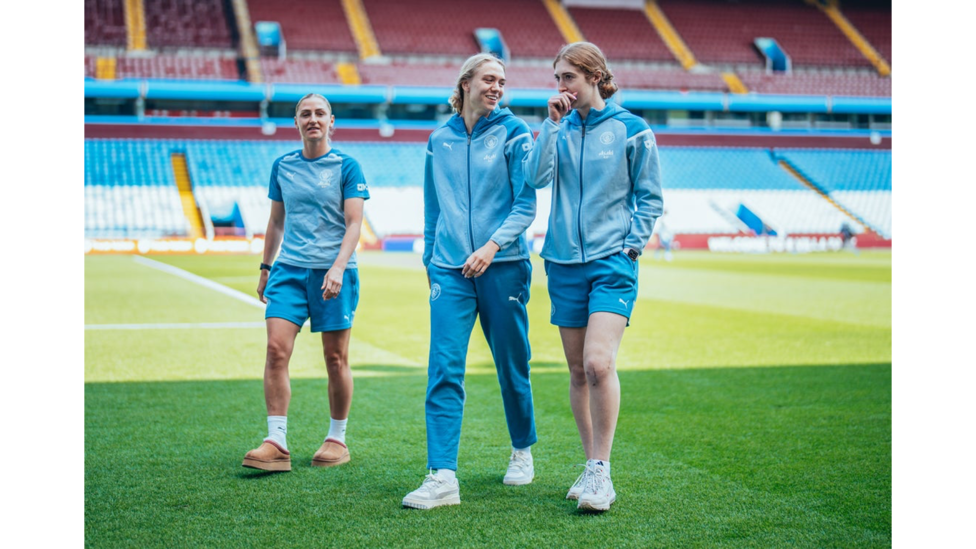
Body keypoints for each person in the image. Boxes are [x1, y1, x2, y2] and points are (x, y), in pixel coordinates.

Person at [523, 42, 664, 511]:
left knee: (599, 362)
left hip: (611, 261)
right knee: (578, 371)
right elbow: (535, 179)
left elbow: (650, 197)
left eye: (569, 77)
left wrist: (632, 244)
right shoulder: (556, 129)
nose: (561, 86)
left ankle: (602, 472)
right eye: (557, 77)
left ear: (595, 77)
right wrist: (549, 125)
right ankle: (589, 465)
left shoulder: (631, 129)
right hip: (562, 262)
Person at [402, 53, 538, 510]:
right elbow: (431, 207)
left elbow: (526, 203)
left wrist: (492, 246)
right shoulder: (438, 138)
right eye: (488, 79)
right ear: (465, 83)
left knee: (511, 365)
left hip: (504, 264)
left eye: (502, 80)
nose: (497, 87)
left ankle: (522, 448)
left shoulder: (515, 131)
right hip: (449, 271)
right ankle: (442, 476)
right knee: (443, 368)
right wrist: (429, 258)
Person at [242, 93, 369, 472]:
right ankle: (276, 441)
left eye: (320, 113)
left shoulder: (348, 166)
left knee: (335, 358)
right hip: (290, 271)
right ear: (296, 122)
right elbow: (276, 222)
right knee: (276, 350)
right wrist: (266, 268)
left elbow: (354, 223)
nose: (312, 119)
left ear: (332, 122)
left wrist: (338, 267)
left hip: (335, 273)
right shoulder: (282, 166)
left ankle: (337, 438)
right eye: (305, 114)